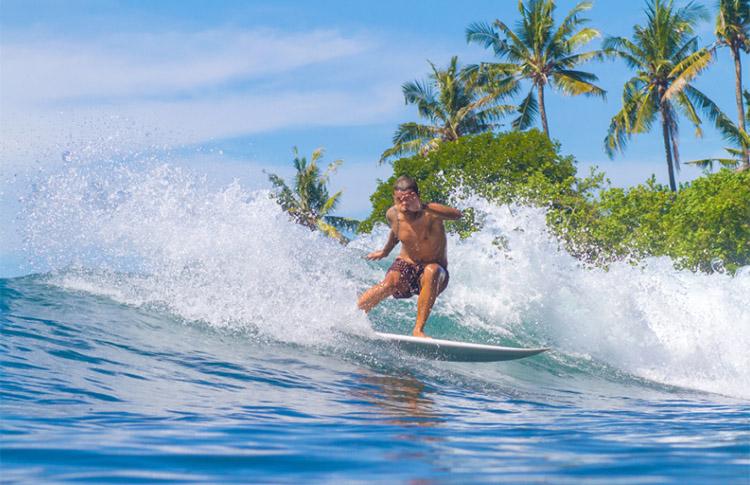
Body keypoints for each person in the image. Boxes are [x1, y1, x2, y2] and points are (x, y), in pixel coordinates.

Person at [357, 176, 462, 337]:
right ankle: (352, 314)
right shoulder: (392, 214)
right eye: (399, 200)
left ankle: (418, 330)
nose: (403, 204)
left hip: (434, 271)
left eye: (407, 200)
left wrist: (423, 206)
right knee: (389, 283)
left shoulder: (431, 213)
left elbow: (457, 215)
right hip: (407, 264)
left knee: (432, 270)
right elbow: (396, 232)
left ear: (416, 196)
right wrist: (385, 251)